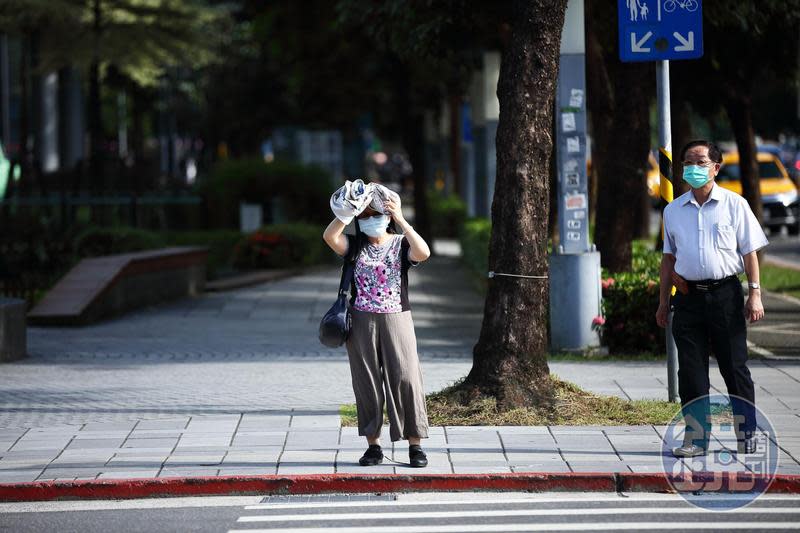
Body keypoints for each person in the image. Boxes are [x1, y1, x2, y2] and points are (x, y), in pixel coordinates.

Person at [656, 140, 768, 458]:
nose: (692, 167)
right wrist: (663, 302)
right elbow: (668, 259)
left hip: (725, 297)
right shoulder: (673, 211)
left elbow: (750, 253)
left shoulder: (735, 205)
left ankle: (747, 434)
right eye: (687, 162)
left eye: (700, 161)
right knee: (690, 373)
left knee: (734, 368)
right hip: (688, 300)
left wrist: (755, 294)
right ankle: (696, 439)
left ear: (715, 167)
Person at [323, 186, 431, 468]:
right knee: (367, 382)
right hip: (360, 321)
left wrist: (402, 219)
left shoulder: (400, 243)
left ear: (388, 215)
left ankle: (415, 444)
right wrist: (347, 213)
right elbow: (329, 236)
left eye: (377, 214)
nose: (372, 219)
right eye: (366, 215)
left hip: (397, 318)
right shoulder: (354, 245)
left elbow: (424, 252)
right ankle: (373, 446)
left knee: (407, 378)